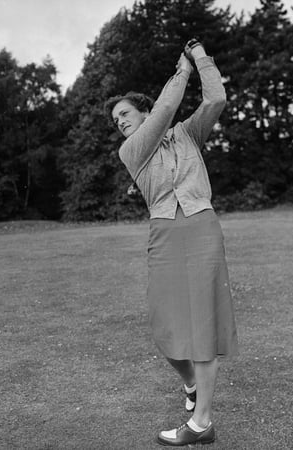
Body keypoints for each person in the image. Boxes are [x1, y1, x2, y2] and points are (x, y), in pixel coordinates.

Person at [104, 39, 238, 446]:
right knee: (165, 329)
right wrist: (181, 71)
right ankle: (192, 385)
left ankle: (202, 423)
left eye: (125, 113)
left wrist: (199, 56)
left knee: (204, 326)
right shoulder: (132, 150)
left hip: (201, 227)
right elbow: (164, 111)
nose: (120, 122)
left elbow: (216, 97)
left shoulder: (188, 134)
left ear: (140, 109)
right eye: (116, 119)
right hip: (163, 234)